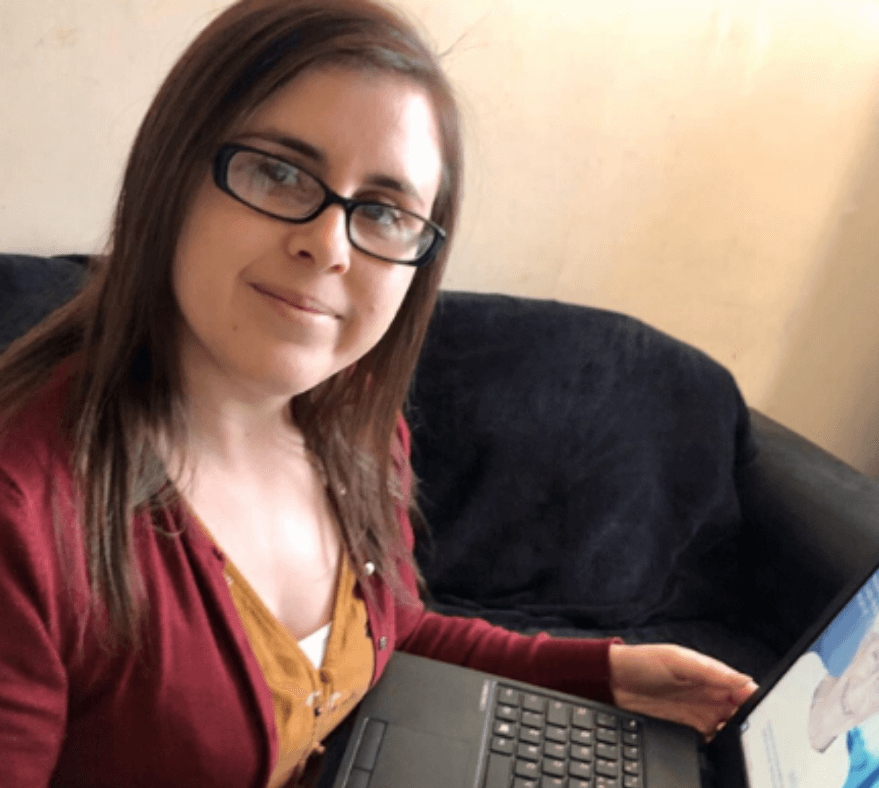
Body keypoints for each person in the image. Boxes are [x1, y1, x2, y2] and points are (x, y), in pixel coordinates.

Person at [0, 1, 756, 786]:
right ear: (172, 171)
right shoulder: (23, 517)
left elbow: (390, 633)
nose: (327, 245)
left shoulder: (354, 421)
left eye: (385, 212)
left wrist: (606, 673)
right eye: (279, 171)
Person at [753, 588, 879, 788]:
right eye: (875, 657)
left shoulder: (836, 774)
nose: (859, 692)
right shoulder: (797, 669)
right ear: (866, 642)